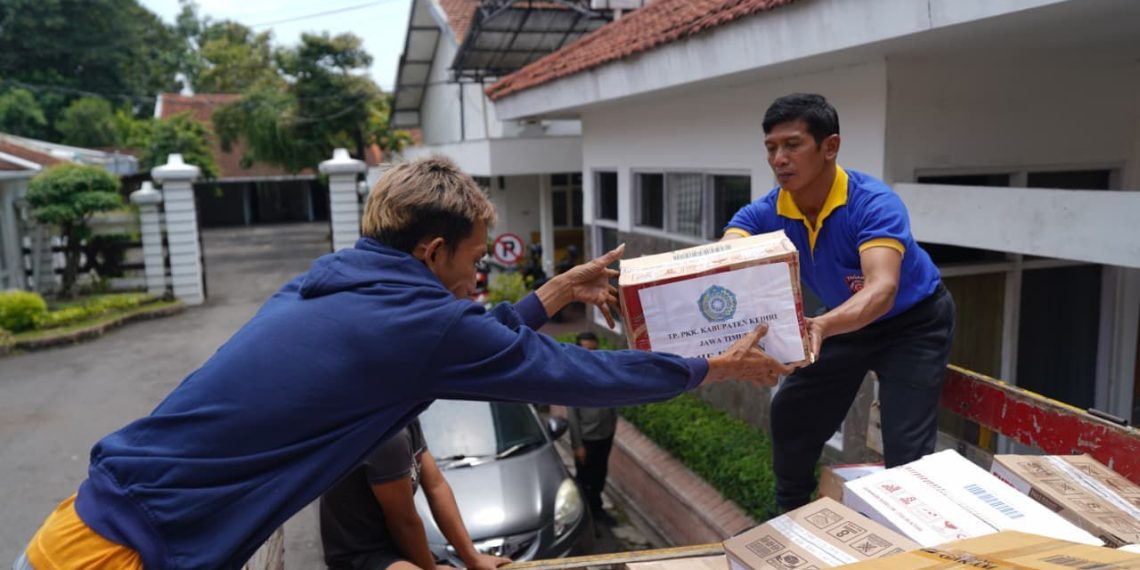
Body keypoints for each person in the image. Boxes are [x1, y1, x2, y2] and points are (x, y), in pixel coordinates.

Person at [18, 155, 792, 570]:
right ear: (431, 250)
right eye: (474, 261)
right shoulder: (419, 327)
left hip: (78, 523)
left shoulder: (334, 281)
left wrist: (546, 294)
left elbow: (451, 344)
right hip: (126, 557)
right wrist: (707, 368)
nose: (478, 279)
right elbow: (569, 373)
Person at [723, 93, 955, 512]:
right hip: (842, 322)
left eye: (792, 145)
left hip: (913, 323)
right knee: (791, 411)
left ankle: (914, 542)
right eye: (771, 148)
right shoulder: (765, 213)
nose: (779, 159)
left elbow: (881, 288)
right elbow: (723, 258)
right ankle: (788, 517)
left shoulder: (872, 203)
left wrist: (823, 326)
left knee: (906, 448)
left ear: (830, 147)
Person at [319, 419, 508, 570]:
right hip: (364, 555)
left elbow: (437, 487)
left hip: (394, 546)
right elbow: (403, 521)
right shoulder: (388, 435)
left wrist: (472, 557)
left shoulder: (407, 418)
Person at [566, 332, 618, 527]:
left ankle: (597, 510)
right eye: (586, 350)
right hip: (586, 439)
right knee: (584, 479)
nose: (591, 354)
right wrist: (577, 444)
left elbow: (613, 400)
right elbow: (572, 415)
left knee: (600, 475)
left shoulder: (604, 371)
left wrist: (612, 425)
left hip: (604, 436)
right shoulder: (574, 377)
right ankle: (584, 517)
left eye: (594, 349)